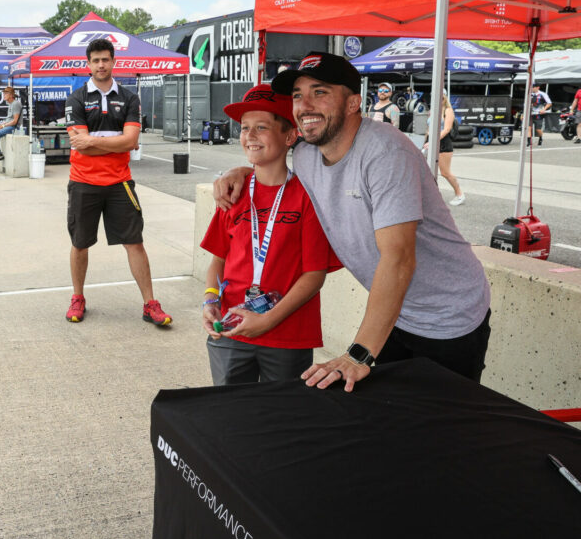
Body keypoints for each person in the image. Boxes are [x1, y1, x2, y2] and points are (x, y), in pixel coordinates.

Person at [214, 52, 490, 392]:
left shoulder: (386, 153)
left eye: (320, 92)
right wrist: (238, 171)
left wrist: (359, 353)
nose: (304, 105)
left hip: (449, 315)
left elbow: (399, 258)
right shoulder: (305, 154)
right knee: (384, 423)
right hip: (396, 313)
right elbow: (268, 154)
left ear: (353, 103)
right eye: (298, 95)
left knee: (444, 432)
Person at [200, 85, 339, 385]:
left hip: (288, 335)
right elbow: (217, 262)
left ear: (290, 136)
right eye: (245, 128)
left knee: (282, 422)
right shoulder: (232, 193)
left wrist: (267, 321)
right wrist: (210, 300)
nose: (250, 135)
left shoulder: (308, 196)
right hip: (232, 329)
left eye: (261, 127)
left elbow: (314, 275)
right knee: (231, 417)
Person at [63, 38, 172, 327]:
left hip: (119, 183)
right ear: (88, 64)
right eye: (95, 60)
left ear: (113, 62)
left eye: (105, 59)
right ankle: (78, 297)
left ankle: (150, 303)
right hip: (83, 182)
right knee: (80, 243)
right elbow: (81, 145)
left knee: (135, 242)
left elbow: (131, 140)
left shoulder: (129, 97)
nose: (101, 64)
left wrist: (97, 141)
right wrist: (118, 143)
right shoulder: (75, 99)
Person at [422, 94, 465, 206]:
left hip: (443, 144)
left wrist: (433, 142)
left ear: (445, 98)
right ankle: (429, 196)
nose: (439, 99)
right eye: (436, 97)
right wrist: (425, 141)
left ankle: (459, 194)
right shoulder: (433, 111)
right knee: (425, 171)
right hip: (429, 144)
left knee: (445, 172)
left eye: (441, 97)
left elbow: (446, 129)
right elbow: (428, 128)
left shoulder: (448, 110)